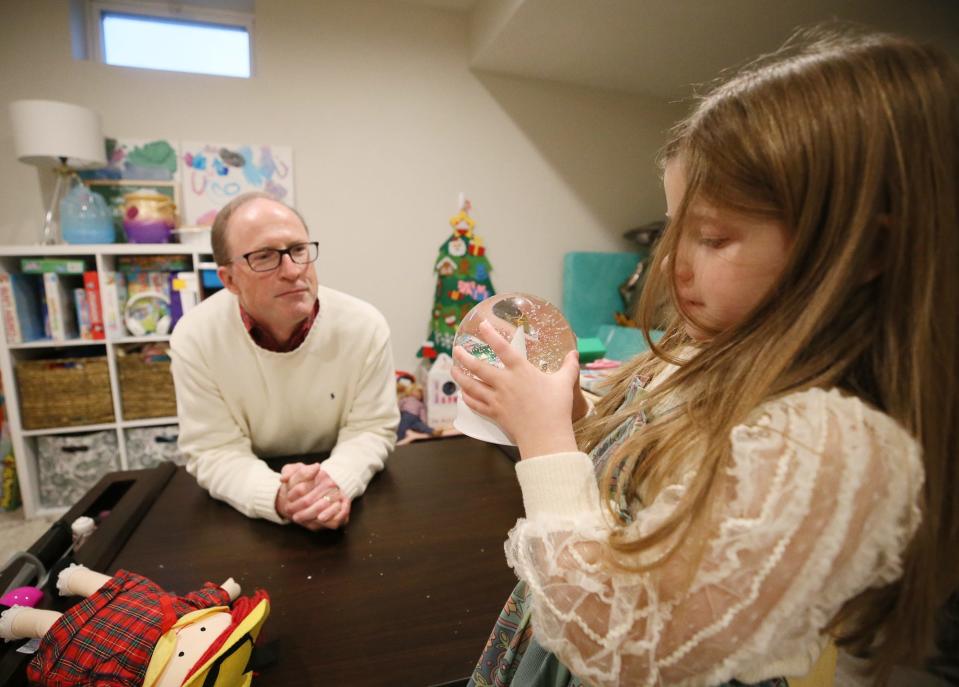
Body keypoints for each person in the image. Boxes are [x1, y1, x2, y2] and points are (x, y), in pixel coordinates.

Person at [453, 28, 958, 687]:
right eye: (670, 230)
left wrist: (544, 438)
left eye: (713, 237)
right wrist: (570, 413)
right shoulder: (702, 352)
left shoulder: (830, 448)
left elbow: (626, 641)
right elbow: (647, 469)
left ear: (865, 251)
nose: (668, 265)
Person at [170, 192, 399, 531]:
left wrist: (331, 486)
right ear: (229, 279)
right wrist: (277, 496)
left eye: (298, 250)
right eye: (264, 257)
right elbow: (214, 449)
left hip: (345, 494)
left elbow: (371, 429)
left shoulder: (364, 326)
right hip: (248, 508)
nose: (293, 271)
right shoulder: (195, 337)